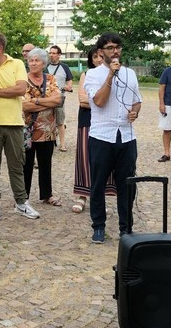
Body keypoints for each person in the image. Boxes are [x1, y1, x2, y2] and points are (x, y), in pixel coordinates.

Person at [0, 31, 40, 221]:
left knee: (17, 165)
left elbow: (21, 88)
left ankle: (21, 202)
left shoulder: (17, 63)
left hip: (14, 122)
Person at [84, 32, 141, 244]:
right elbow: (98, 101)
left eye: (117, 47)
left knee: (127, 185)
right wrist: (110, 76)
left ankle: (126, 228)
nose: (115, 51)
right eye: (109, 48)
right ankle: (98, 226)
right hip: (102, 136)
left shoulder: (130, 74)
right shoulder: (93, 75)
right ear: (101, 52)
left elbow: (137, 100)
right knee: (98, 184)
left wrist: (135, 112)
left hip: (126, 136)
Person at [72, 47, 117, 213]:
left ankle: (100, 198)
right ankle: (82, 196)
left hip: (106, 123)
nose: (98, 59)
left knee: (103, 161)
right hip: (87, 121)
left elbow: (106, 100)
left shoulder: (112, 75)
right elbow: (82, 100)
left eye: (100, 56)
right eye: (95, 57)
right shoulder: (87, 74)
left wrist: (97, 100)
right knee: (85, 159)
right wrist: (100, 100)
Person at [22, 48, 62, 205]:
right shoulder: (23, 80)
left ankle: (47, 194)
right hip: (28, 130)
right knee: (26, 164)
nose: (33, 63)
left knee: (46, 163)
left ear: (44, 63)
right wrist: (46, 103)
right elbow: (24, 105)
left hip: (48, 130)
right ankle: (22, 196)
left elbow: (58, 100)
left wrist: (36, 101)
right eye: (31, 60)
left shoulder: (50, 78)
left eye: (36, 60)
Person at [47, 45, 73, 152]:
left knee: (60, 121)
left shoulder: (65, 67)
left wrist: (68, 87)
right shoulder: (45, 66)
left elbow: (69, 80)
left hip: (59, 97)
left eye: (54, 53)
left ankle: (62, 144)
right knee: (47, 121)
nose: (51, 55)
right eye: (50, 53)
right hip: (47, 98)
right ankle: (48, 143)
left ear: (59, 55)